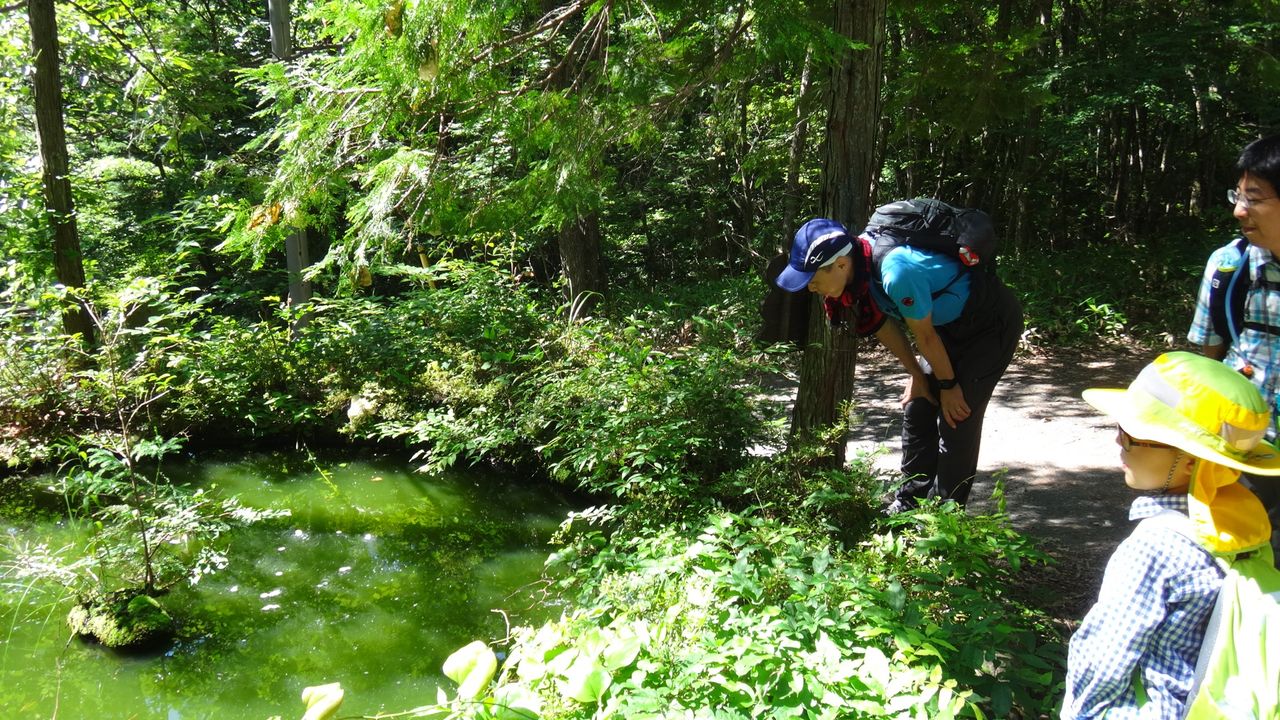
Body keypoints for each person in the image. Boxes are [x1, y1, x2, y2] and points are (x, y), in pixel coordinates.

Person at [1062, 351, 1279, 718]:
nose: (1118, 441)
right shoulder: (1244, 529)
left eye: (1133, 435)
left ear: (1191, 461)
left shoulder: (1155, 548)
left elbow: (1103, 659)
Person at [775, 213, 1023, 512]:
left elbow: (925, 337)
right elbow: (885, 327)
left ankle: (946, 517)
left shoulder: (896, 272)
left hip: (988, 327)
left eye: (814, 280)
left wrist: (949, 385)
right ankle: (908, 504)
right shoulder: (858, 275)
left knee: (956, 418)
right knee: (918, 407)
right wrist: (917, 375)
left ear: (840, 265)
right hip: (945, 327)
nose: (811, 289)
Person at [1188, 133, 1280, 560]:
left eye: (1254, 198)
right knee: (1237, 568)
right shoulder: (1229, 266)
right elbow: (1208, 364)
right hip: (1242, 457)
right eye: (1238, 195)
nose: (1239, 210)